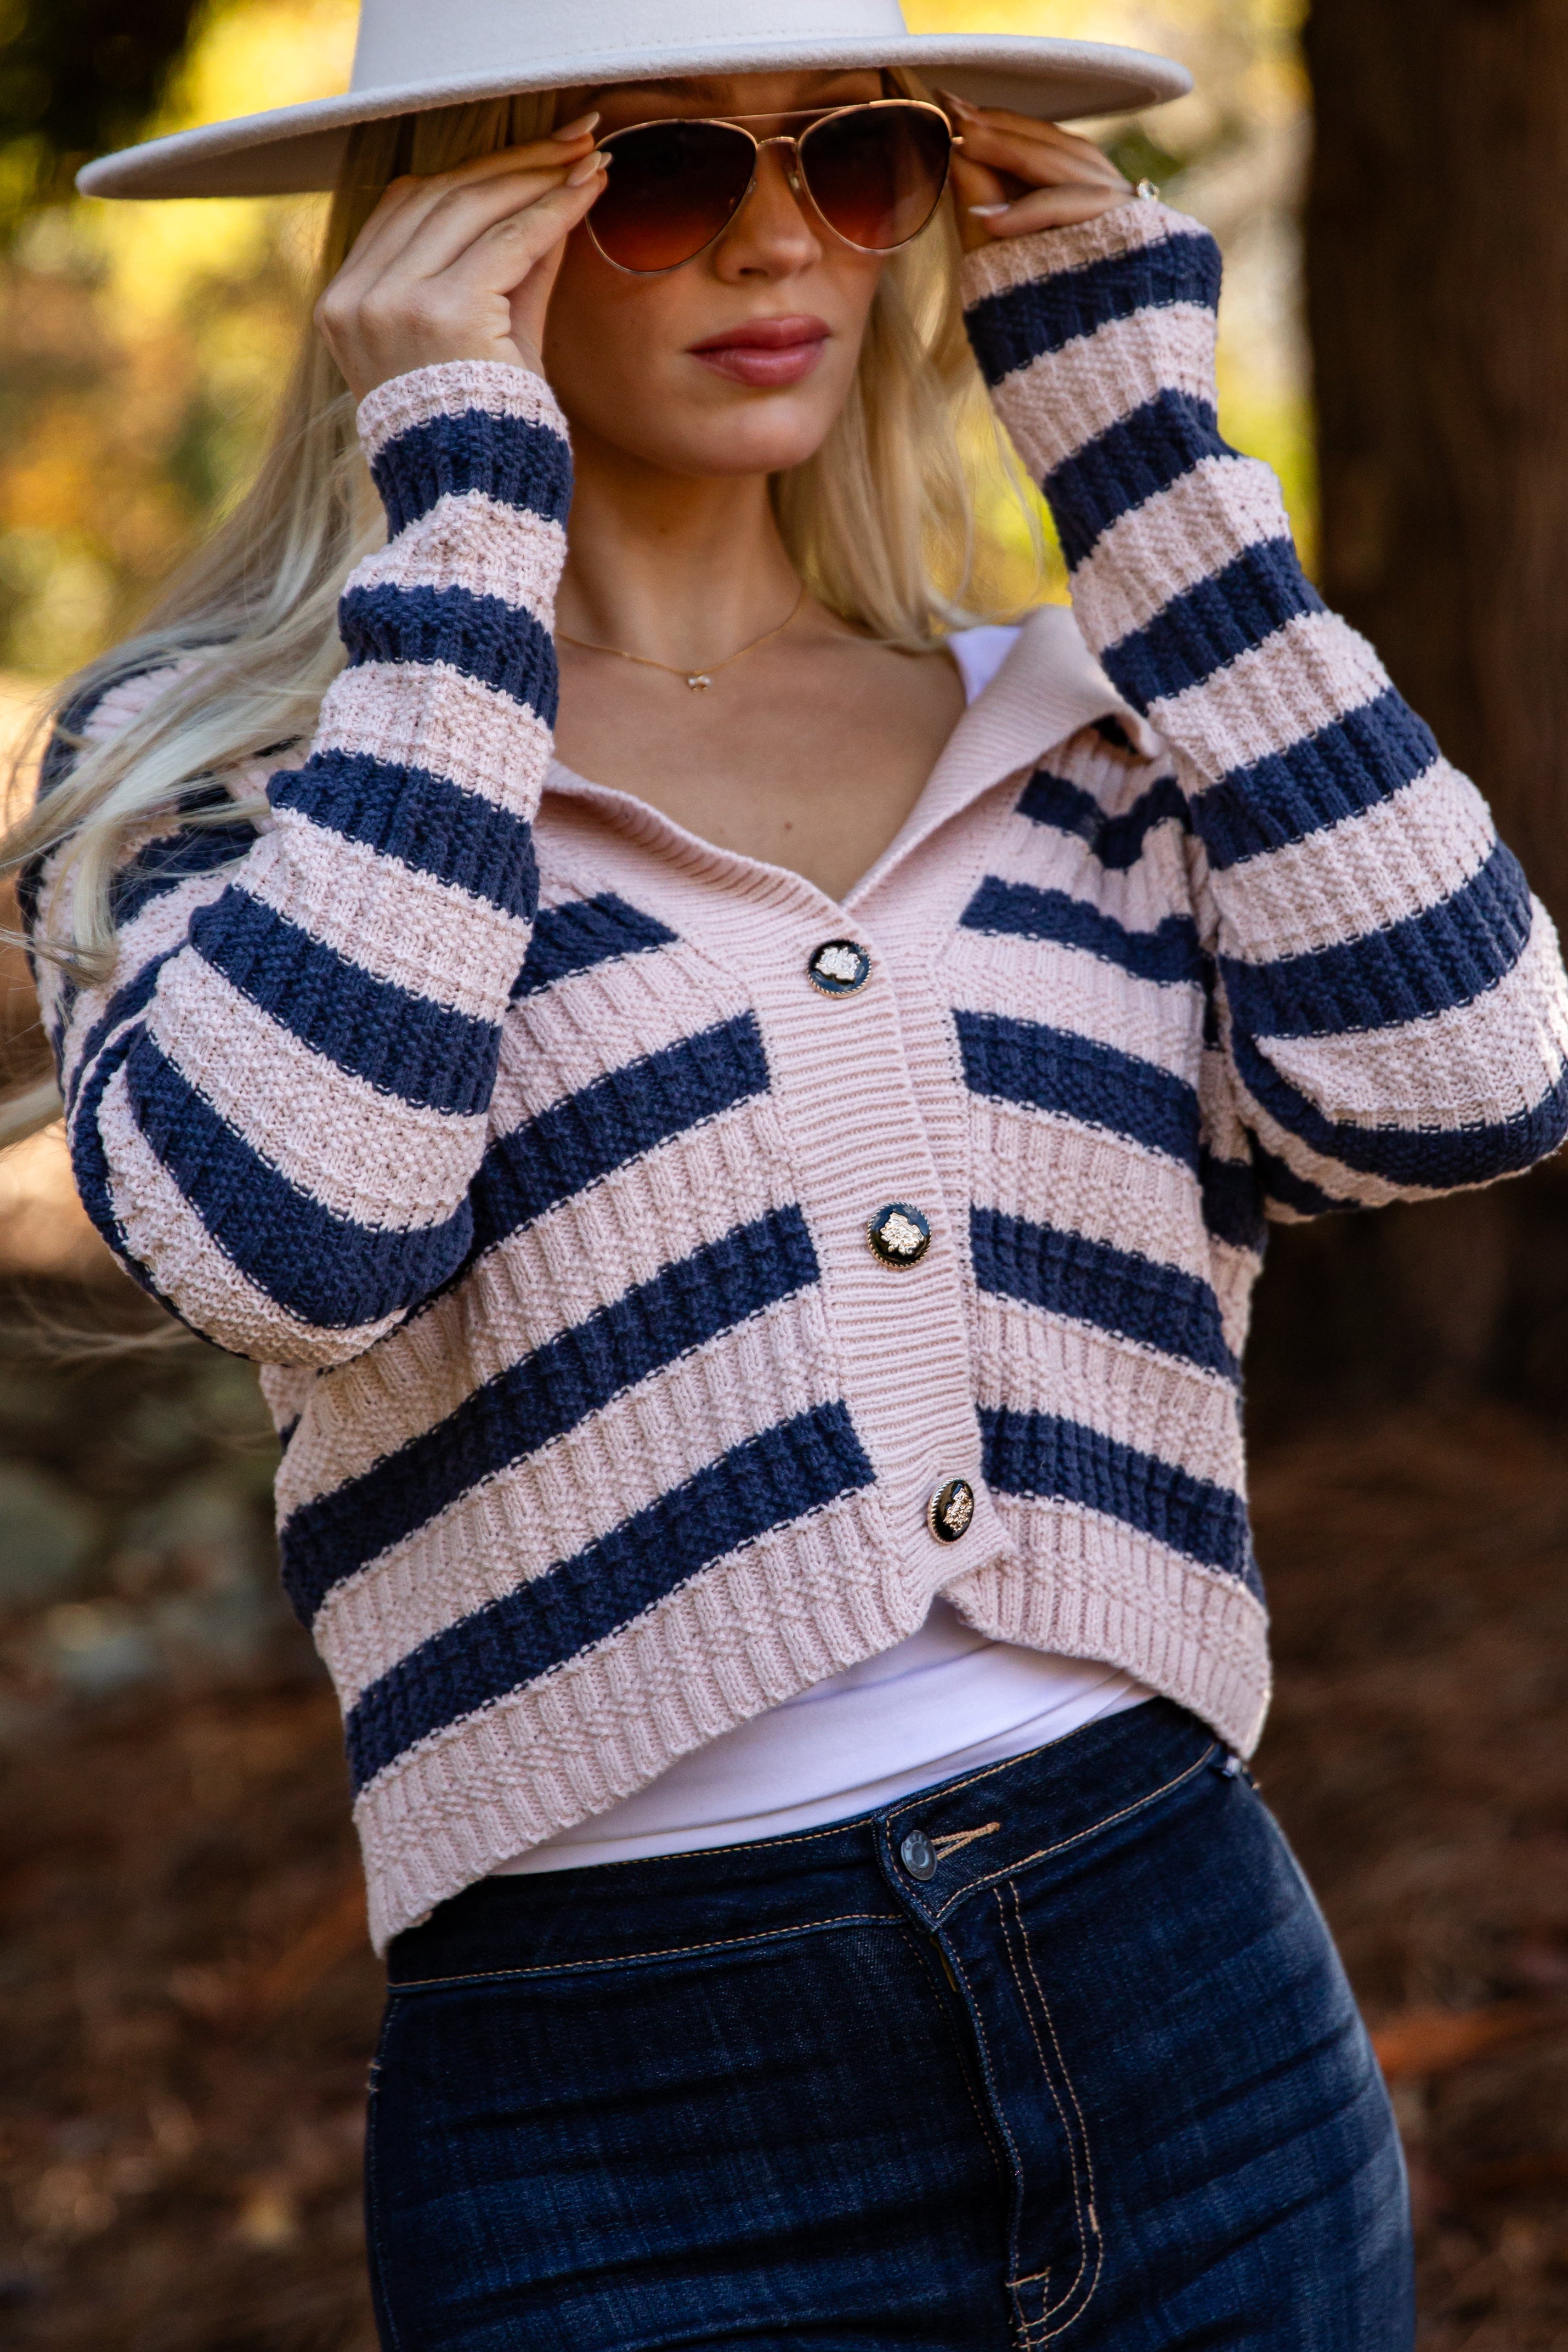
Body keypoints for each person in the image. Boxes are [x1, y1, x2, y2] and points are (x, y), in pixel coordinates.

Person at [8, 1, 1567, 2342]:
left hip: (1194, 2008)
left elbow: (1467, 1072)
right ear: (448, 229)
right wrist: (458, 541)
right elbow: (286, 1240)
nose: (775, 240)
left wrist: (1147, 471)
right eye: (656, 170)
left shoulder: (1080, 720)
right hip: (614, 2110)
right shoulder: (232, 771)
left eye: (855, 161)